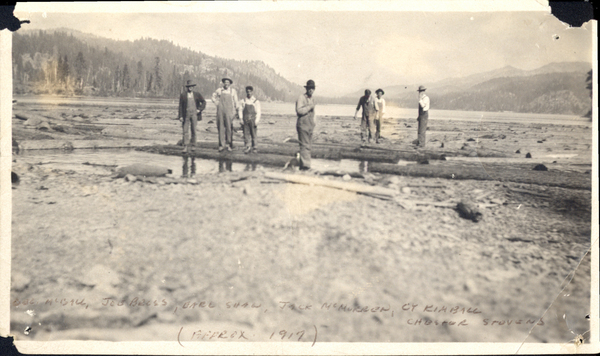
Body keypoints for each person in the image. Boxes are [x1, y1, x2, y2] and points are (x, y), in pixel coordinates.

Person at [178, 80, 206, 153]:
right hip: (185, 115)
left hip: (194, 114)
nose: (190, 87)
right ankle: (185, 146)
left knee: (193, 130)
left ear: (193, 87)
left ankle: (193, 145)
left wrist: (199, 109)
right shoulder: (183, 95)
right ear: (187, 87)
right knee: (185, 130)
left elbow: (203, 102)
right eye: (188, 86)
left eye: (191, 86)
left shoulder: (197, 94)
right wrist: (180, 116)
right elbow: (180, 106)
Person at [212, 77, 239, 152]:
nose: (226, 83)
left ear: (230, 83)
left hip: (229, 111)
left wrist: (237, 110)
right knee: (220, 127)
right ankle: (221, 145)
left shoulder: (233, 91)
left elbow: (236, 101)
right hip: (220, 111)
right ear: (223, 83)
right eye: (225, 82)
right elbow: (213, 97)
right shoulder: (219, 90)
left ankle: (229, 145)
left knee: (229, 128)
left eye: (228, 82)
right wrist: (216, 102)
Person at [295, 80, 317, 170]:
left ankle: (304, 165)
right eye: (309, 88)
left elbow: (313, 113)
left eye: (312, 88)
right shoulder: (301, 98)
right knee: (304, 146)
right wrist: (310, 107)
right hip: (302, 124)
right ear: (306, 88)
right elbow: (299, 111)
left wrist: (314, 123)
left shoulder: (312, 99)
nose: (311, 90)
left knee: (308, 146)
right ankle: (306, 167)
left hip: (309, 125)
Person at [238, 86, 261, 154]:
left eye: (250, 91)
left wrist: (257, 121)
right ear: (246, 92)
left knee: (254, 134)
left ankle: (255, 147)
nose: (249, 93)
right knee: (246, 134)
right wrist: (241, 119)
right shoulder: (243, 101)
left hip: (253, 120)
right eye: (247, 91)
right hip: (245, 120)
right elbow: (240, 110)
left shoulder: (255, 101)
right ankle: (247, 147)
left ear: (252, 92)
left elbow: (258, 112)